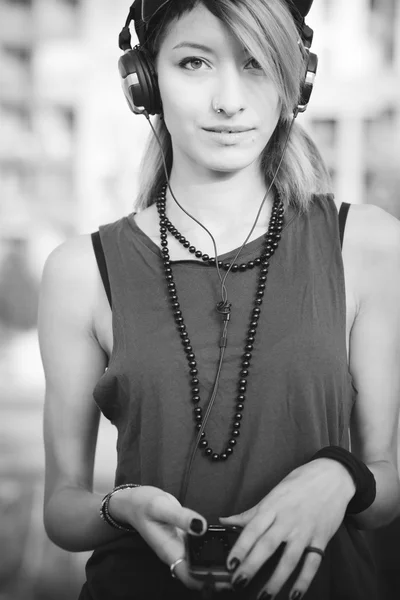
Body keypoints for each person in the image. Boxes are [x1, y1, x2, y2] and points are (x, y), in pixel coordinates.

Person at [37, 1, 400, 599]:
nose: (229, 100)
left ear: (295, 79)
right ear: (145, 80)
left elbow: (385, 488)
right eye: (194, 62)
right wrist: (123, 506)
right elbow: (62, 509)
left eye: (257, 63)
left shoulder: (366, 245)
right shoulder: (80, 271)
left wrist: (340, 476)